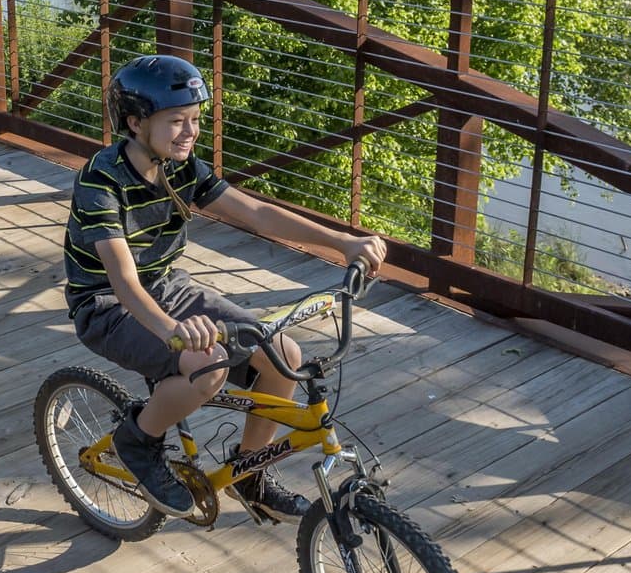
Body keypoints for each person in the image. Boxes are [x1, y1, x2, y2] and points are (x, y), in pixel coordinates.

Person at [63, 54, 388, 521]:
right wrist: (174, 329)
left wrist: (342, 242)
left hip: (168, 287)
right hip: (108, 306)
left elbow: (255, 213)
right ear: (135, 123)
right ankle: (137, 440)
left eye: (195, 119)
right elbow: (124, 281)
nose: (190, 131)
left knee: (285, 356)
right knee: (207, 363)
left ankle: (248, 472)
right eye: (176, 121)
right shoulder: (101, 181)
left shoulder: (181, 167)